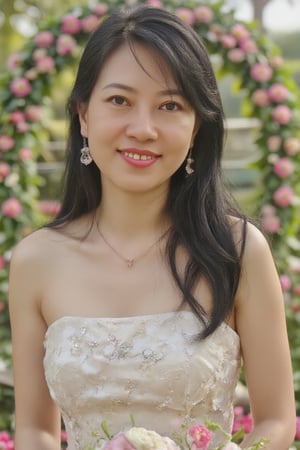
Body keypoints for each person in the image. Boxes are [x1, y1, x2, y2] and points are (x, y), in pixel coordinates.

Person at [8, 5, 295, 450]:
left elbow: (276, 420)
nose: (142, 129)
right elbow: (34, 431)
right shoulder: (36, 261)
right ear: (84, 114)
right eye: (119, 100)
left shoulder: (237, 251)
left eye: (170, 105)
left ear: (197, 126)